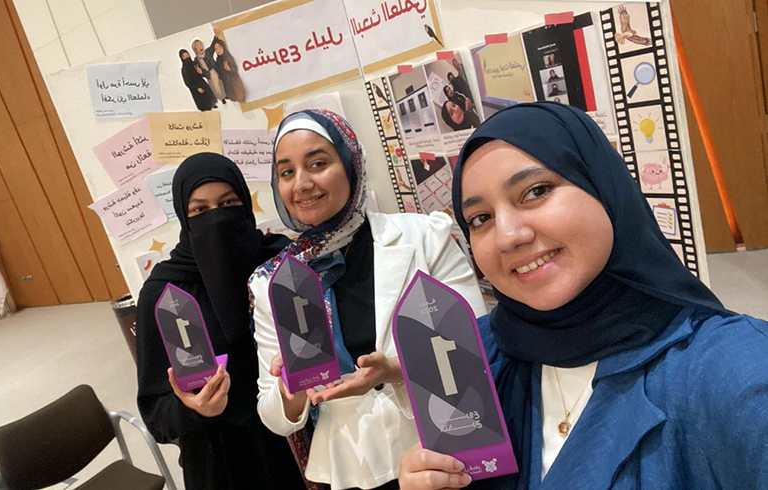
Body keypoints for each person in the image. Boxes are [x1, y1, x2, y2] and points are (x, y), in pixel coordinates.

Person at [398, 102, 768, 489]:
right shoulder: (477, 354)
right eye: (480, 219)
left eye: (535, 191)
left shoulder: (734, 372)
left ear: (603, 187)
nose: (508, 236)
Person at [249, 109, 486, 490]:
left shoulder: (426, 237)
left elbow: (480, 347)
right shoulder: (273, 282)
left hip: (444, 451)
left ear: (351, 165)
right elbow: (274, 415)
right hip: (350, 470)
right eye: (287, 172)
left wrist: (393, 370)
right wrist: (290, 387)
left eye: (318, 163)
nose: (302, 183)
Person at [135, 153, 303, 490]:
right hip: (219, 458)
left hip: (297, 436)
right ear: (184, 217)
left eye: (228, 204)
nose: (217, 220)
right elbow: (156, 413)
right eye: (200, 211)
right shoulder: (165, 292)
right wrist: (194, 409)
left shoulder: (280, 265)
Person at [192, 38, 226, 104]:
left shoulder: (208, 52)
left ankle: (224, 96)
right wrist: (202, 72)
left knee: (221, 84)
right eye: (197, 46)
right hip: (208, 75)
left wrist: (215, 35)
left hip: (215, 71)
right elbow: (199, 72)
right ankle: (220, 98)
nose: (200, 47)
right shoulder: (196, 60)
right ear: (195, 49)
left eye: (200, 44)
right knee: (214, 88)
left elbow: (213, 45)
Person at [213, 38, 246, 103]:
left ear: (223, 47)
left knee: (239, 96)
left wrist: (229, 69)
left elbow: (235, 68)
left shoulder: (228, 56)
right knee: (232, 97)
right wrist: (219, 78)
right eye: (216, 48)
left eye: (219, 47)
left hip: (233, 80)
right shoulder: (218, 59)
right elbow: (219, 70)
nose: (218, 50)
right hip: (226, 82)